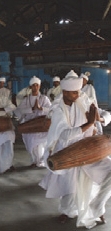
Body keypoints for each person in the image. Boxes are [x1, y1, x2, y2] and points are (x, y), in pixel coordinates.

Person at [39, 70, 111, 229]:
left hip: (89, 149)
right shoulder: (58, 110)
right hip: (68, 152)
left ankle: (97, 207)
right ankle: (66, 211)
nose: (78, 94)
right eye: (74, 92)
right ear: (65, 92)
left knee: (106, 175)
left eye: (78, 91)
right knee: (70, 188)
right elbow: (64, 135)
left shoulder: (84, 101)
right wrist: (88, 123)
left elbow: (106, 114)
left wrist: (99, 118)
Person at [16, 76, 51, 167]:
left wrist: (41, 108)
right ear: (30, 87)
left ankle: (40, 162)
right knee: (31, 145)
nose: (35, 87)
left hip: (41, 125)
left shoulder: (44, 98)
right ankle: (34, 161)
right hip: (30, 125)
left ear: (39, 86)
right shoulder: (26, 99)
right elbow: (20, 110)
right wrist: (31, 109)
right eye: (33, 85)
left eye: (37, 85)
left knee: (39, 144)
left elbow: (51, 109)